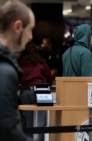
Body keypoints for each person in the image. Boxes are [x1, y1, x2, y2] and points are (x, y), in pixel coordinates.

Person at [0, 0, 35, 141]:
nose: (31, 37)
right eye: (30, 29)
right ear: (18, 27)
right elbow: (6, 128)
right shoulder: (5, 70)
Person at [19, 42, 52, 141]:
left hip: (25, 91)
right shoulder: (41, 63)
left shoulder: (21, 63)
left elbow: (18, 78)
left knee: (29, 121)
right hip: (41, 91)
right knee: (41, 122)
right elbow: (49, 77)